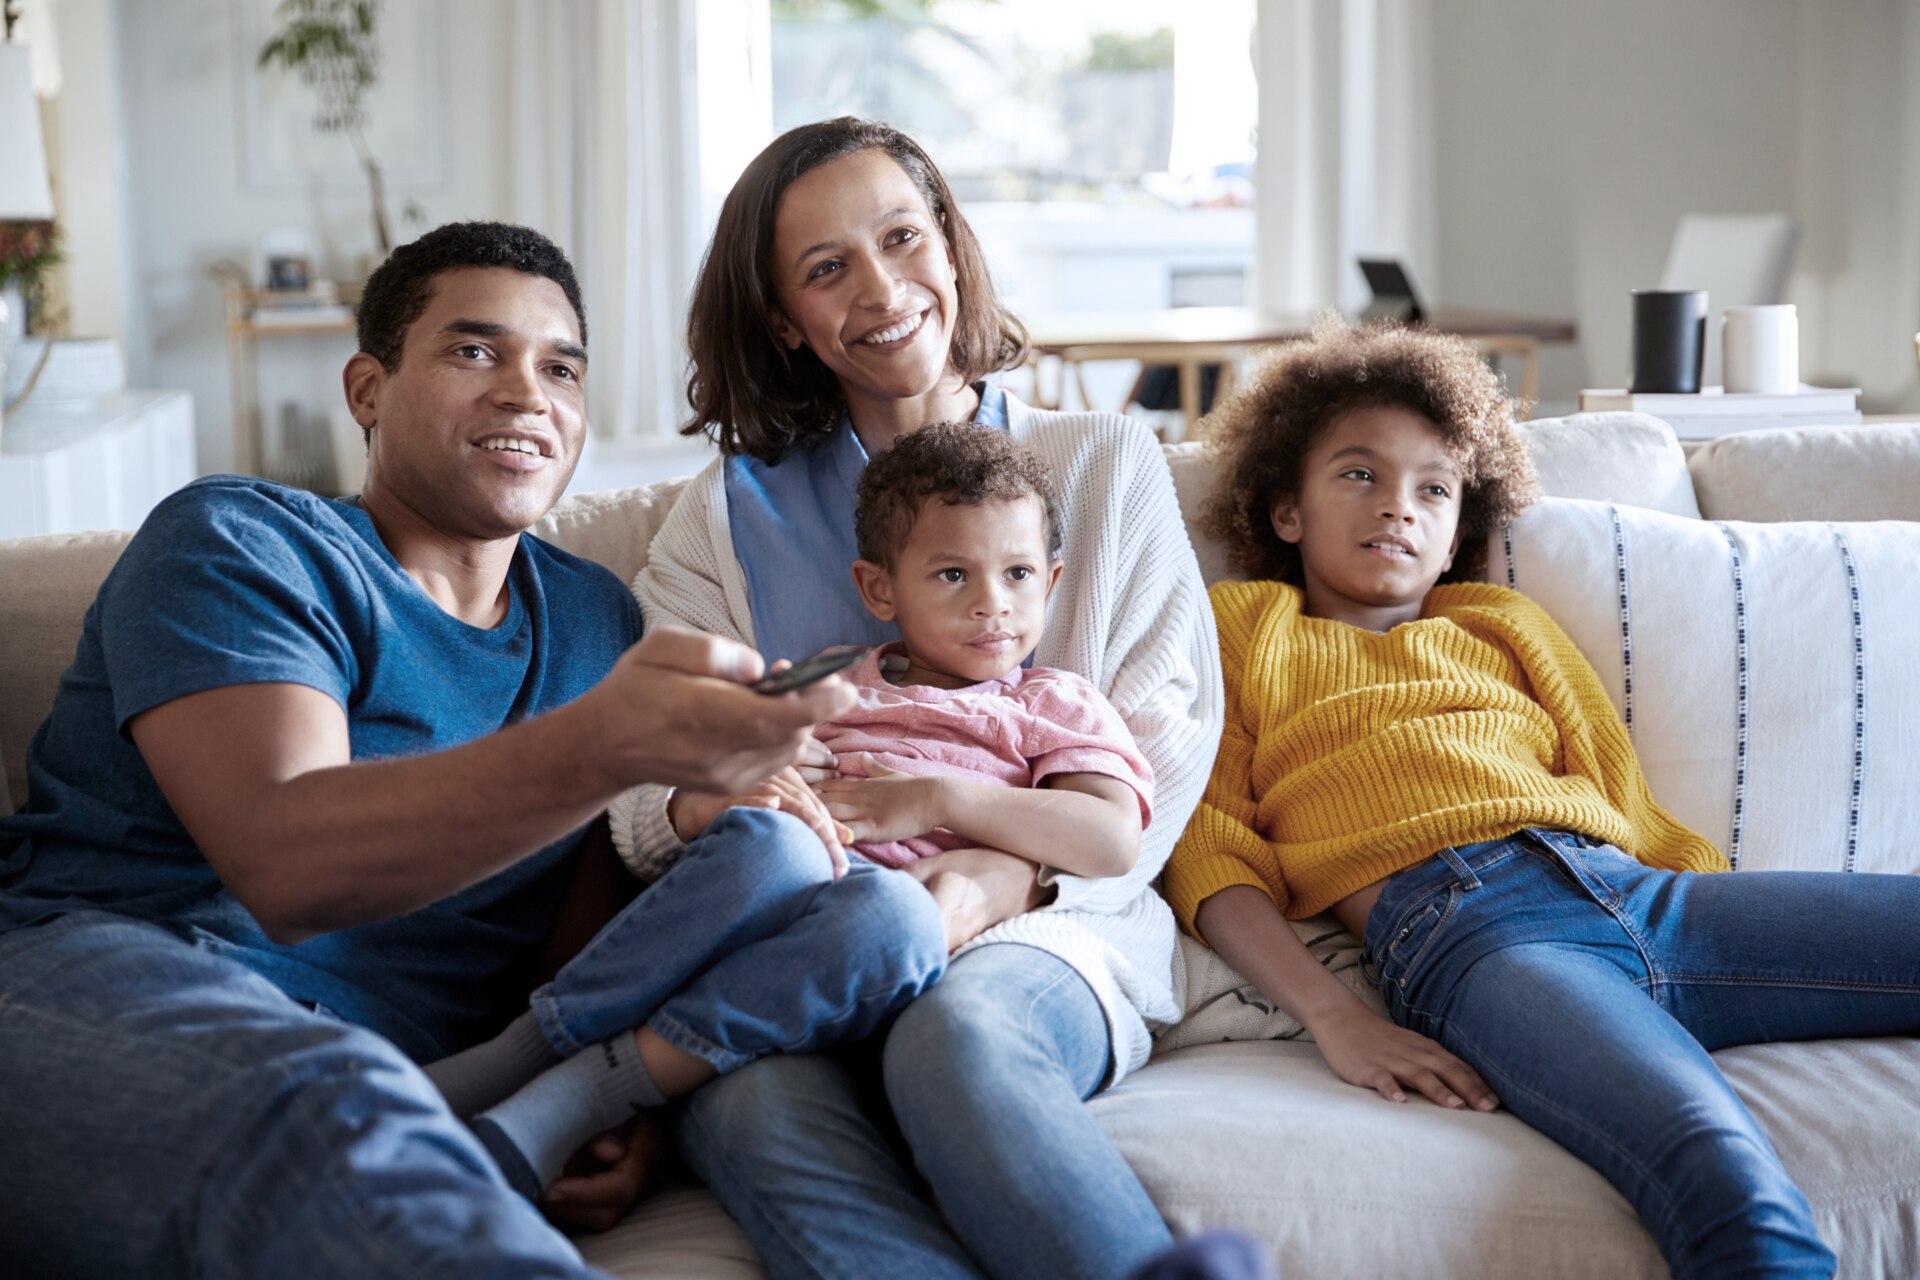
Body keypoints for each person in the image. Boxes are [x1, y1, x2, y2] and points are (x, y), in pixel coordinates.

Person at [0, 221, 856, 1279]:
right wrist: (602, 743)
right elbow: (287, 859)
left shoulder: (596, 622)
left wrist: (599, 1099)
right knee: (329, 1110)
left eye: (560, 368)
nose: (525, 392)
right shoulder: (245, 541)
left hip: (404, 1081)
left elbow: (564, 961)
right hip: (107, 983)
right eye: (474, 350)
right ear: (367, 388)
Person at [1165, 319, 1920, 1279]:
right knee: (1723, 1174)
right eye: (1359, 475)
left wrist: (1717, 907)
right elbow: (1211, 851)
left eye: (1432, 489)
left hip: (1644, 899)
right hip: (1478, 937)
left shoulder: (1501, 621)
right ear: (1285, 511)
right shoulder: (1245, 626)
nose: (1397, 506)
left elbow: (1620, 790)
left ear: (1454, 538)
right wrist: (1335, 1017)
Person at [613, 117, 1223, 1280]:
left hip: (1055, 929)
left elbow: (1167, 747)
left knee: (958, 1031)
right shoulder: (725, 519)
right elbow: (644, 783)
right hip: (797, 940)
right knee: (746, 1107)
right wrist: (720, 805)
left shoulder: (1101, 461)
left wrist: (1013, 868)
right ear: (786, 318)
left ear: (951, 243)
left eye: (903, 237)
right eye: (827, 267)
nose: (883, 288)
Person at [814, 422, 1156, 943]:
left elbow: (1112, 841)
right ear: (880, 589)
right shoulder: (830, 676)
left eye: (1018, 573)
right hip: (800, 867)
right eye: (954, 574)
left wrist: (939, 800)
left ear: (1050, 584)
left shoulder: (1053, 704)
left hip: (915, 906)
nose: (992, 603)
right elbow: (732, 757)